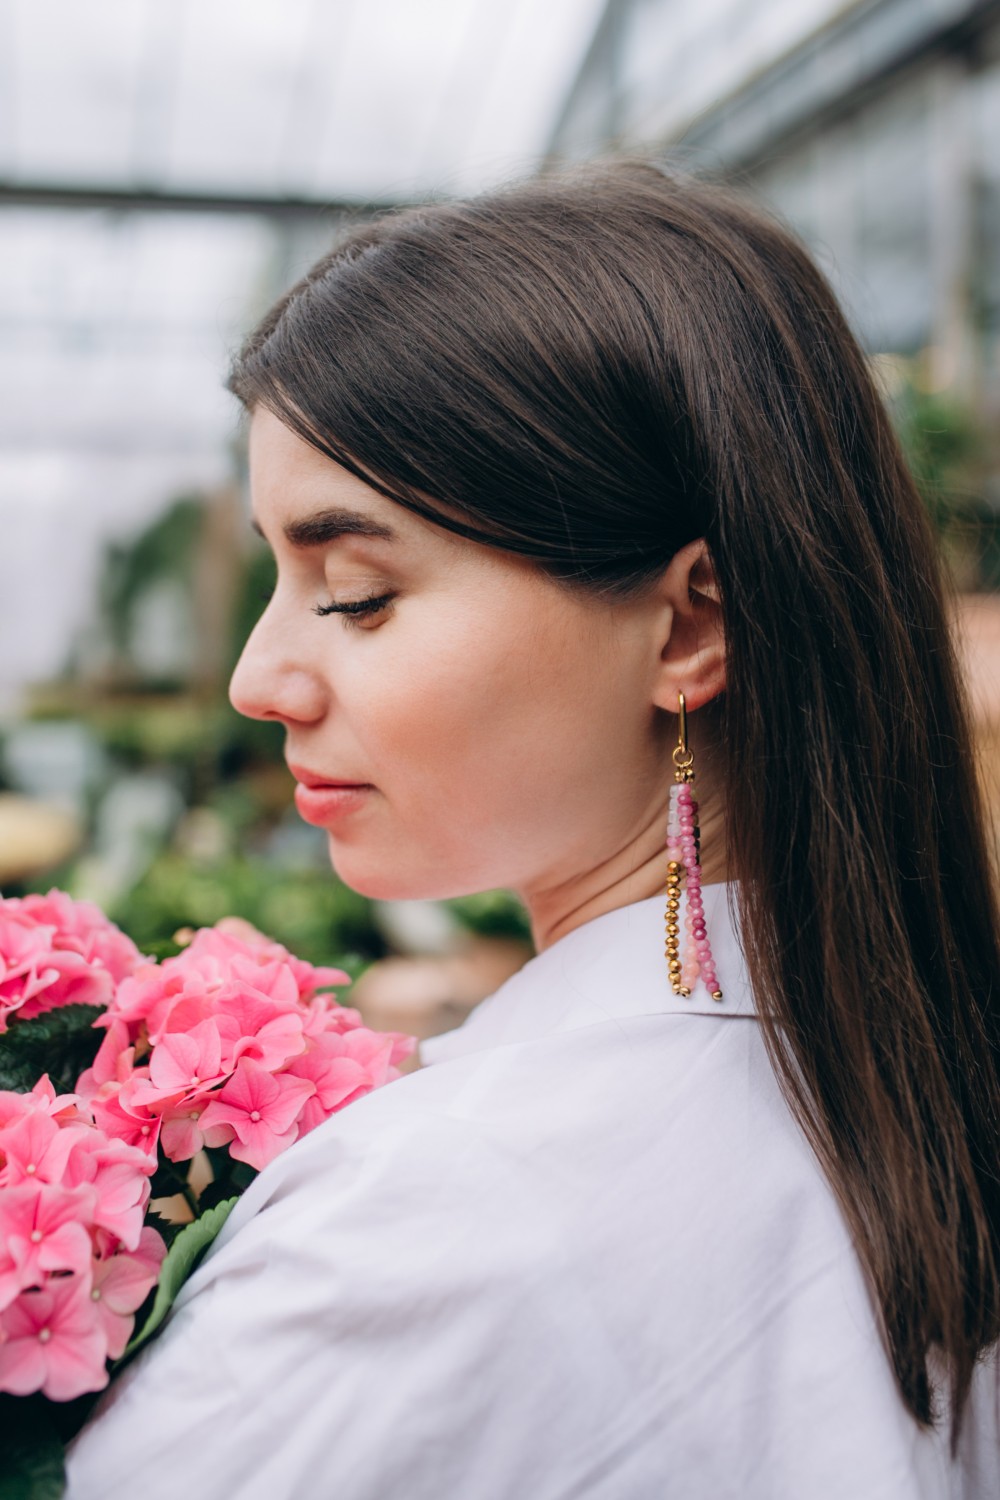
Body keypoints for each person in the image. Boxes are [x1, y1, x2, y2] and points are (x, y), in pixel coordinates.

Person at [66, 161, 1000, 1498]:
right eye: (283, 577)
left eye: (360, 591)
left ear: (687, 623)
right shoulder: (909, 1102)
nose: (258, 678)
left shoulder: (435, 1221)